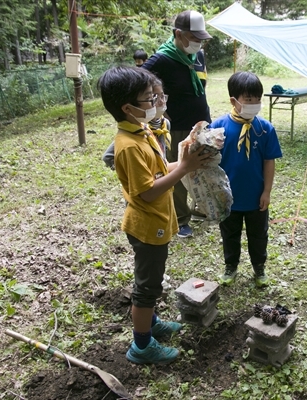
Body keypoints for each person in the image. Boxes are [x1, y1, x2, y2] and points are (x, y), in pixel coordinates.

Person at [97, 66, 211, 364]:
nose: (156, 103)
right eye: (149, 98)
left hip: (156, 221)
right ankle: (142, 345)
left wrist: (185, 162)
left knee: (154, 281)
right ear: (128, 107)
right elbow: (147, 191)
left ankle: (152, 323)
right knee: (146, 288)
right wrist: (184, 169)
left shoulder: (143, 131)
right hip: (147, 227)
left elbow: (160, 171)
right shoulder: (128, 146)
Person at [208, 71, 282, 288]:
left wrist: (266, 191)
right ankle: (230, 266)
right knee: (230, 234)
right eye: (249, 100)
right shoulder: (219, 127)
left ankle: (259, 268)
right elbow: (208, 161)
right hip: (228, 198)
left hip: (256, 197)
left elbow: (269, 161)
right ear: (234, 100)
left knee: (258, 236)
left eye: (258, 99)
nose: (255, 104)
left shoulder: (265, 129)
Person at [142, 10, 212, 238]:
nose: (198, 43)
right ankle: (181, 218)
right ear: (178, 34)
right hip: (178, 126)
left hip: (200, 123)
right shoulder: (162, 59)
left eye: (201, 39)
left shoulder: (197, 56)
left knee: (203, 165)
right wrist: (160, 111)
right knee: (180, 170)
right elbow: (137, 81)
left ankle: (199, 207)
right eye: (194, 38)